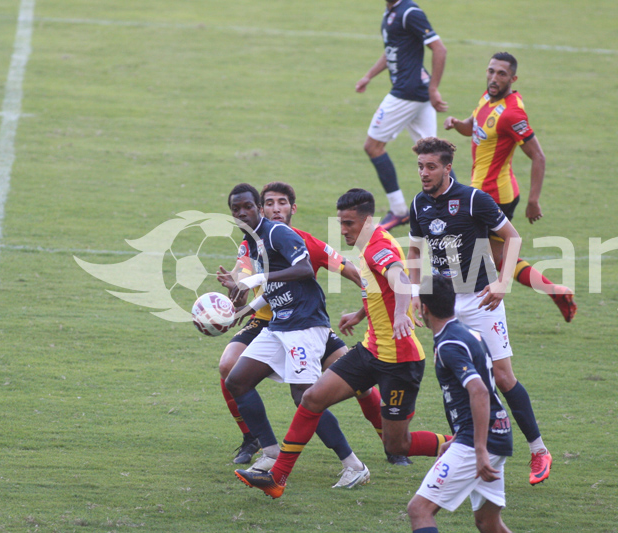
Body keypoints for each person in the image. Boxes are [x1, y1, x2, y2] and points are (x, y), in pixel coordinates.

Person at [235, 188, 452, 499]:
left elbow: (399, 279)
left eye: (348, 223)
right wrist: (361, 313)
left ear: (366, 220)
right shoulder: (366, 245)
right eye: (341, 222)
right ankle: (277, 477)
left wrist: (403, 314)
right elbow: (381, 289)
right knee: (311, 399)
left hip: (400, 360)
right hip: (370, 351)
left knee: (397, 444)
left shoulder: (377, 245)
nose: (343, 229)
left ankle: (463, 443)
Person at [217, 182, 410, 468]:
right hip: (266, 322)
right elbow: (239, 279)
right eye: (269, 202)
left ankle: (391, 445)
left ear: (292, 208)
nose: (275, 208)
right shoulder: (251, 244)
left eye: (281, 202)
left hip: (306, 322)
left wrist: (365, 310)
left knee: (354, 386)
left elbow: (354, 273)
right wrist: (231, 307)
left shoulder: (304, 241)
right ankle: (254, 440)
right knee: (230, 370)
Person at [407, 138, 552, 485]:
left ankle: (538, 450)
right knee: (451, 373)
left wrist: (502, 283)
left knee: (502, 376)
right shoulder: (418, 204)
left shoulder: (474, 199)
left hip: (482, 299)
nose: (424, 173)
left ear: (446, 168)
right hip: (444, 305)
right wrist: (415, 293)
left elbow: (512, 237)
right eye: (420, 167)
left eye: (430, 167)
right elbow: (414, 250)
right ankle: (465, 443)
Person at [444, 52, 577, 322]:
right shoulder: (488, 96)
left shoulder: (512, 114)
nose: (494, 78)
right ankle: (555, 292)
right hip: (480, 191)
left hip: (494, 196)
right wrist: (458, 124)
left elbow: (538, 156)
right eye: (491, 71)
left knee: (477, 257)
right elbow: (474, 127)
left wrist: (534, 200)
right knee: (496, 259)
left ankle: (470, 316)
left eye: (501, 74)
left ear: (512, 78)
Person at [408, 275, 513, 533]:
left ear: (424, 308)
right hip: (498, 432)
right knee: (488, 523)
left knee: (419, 510)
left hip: (480, 439)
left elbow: (479, 392)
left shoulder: (449, 344)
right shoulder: (469, 334)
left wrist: (477, 448)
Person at [357, 0, 448, 231]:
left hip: (407, 93)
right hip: (417, 91)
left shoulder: (410, 12)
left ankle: (399, 210)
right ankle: (453, 210)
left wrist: (434, 88)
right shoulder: (390, 13)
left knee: (373, 146)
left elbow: (439, 48)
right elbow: (392, 52)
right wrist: (369, 75)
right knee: (434, 153)